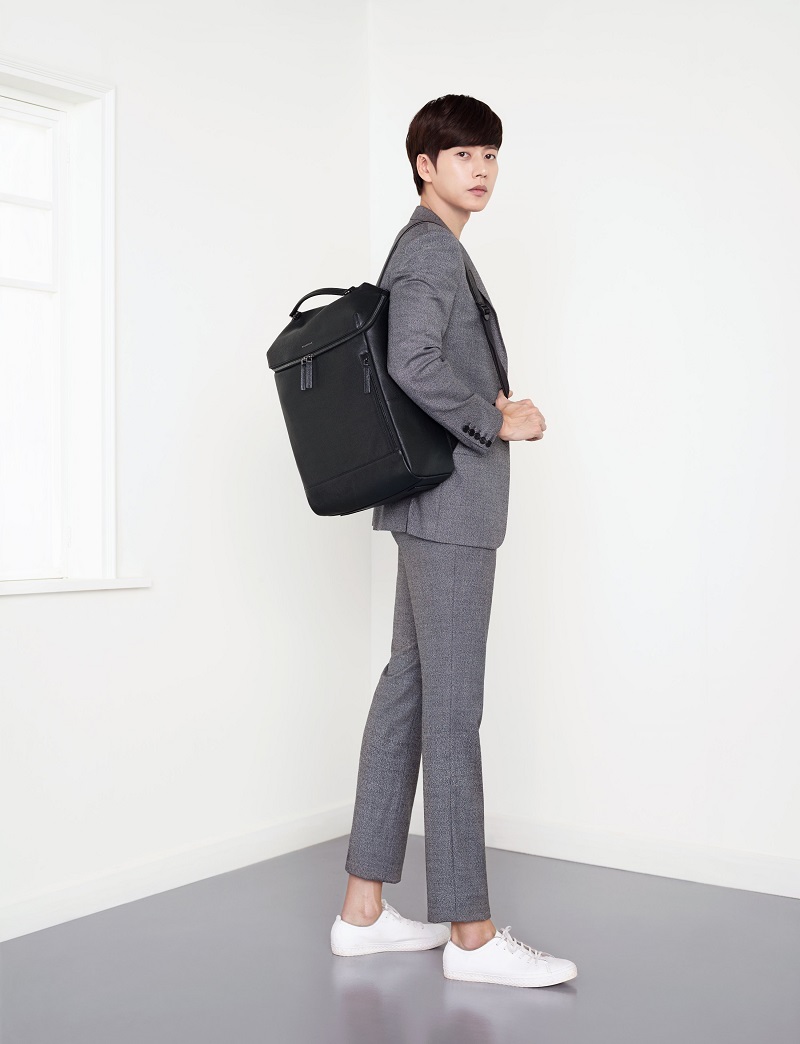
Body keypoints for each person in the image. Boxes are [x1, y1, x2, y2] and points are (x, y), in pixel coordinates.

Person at [330, 94, 577, 989]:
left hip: (426, 509)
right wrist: (498, 420)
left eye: (491, 155)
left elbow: (416, 361)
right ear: (425, 166)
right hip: (453, 512)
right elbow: (413, 363)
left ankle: (362, 912)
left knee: (407, 692)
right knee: (453, 713)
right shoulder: (432, 249)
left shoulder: (426, 246)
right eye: (463, 154)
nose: (481, 169)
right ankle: (471, 935)